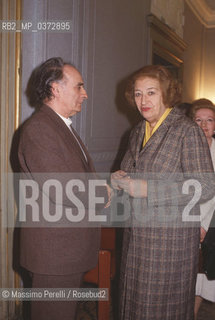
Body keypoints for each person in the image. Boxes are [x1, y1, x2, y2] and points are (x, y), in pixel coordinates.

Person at [111, 65, 215, 320]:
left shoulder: (187, 131)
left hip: (170, 243)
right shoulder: (137, 131)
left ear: (166, 94)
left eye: (151, 93)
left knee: (161, 310)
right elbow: (128, 171)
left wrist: (149, 190)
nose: (143, 101)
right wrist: (116, 178)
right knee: (133, 306)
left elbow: (205, 185)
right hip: (136, 238)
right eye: (137, 94)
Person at [18, 57, 110, 320]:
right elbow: (62, 188)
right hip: (54, 255)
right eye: (79, 87)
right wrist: (104, 193)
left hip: (65, 252)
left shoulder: (58, 126)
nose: (85, 94)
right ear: (56, 89)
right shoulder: (41, 129)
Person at [189, 99, 215, 319]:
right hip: (189, 221)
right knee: (192, 278)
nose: (204, 126)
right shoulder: (185, 149)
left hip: (212, 224)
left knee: (206, 277)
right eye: (199, 120)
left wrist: (204, 226)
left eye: (209, 120)